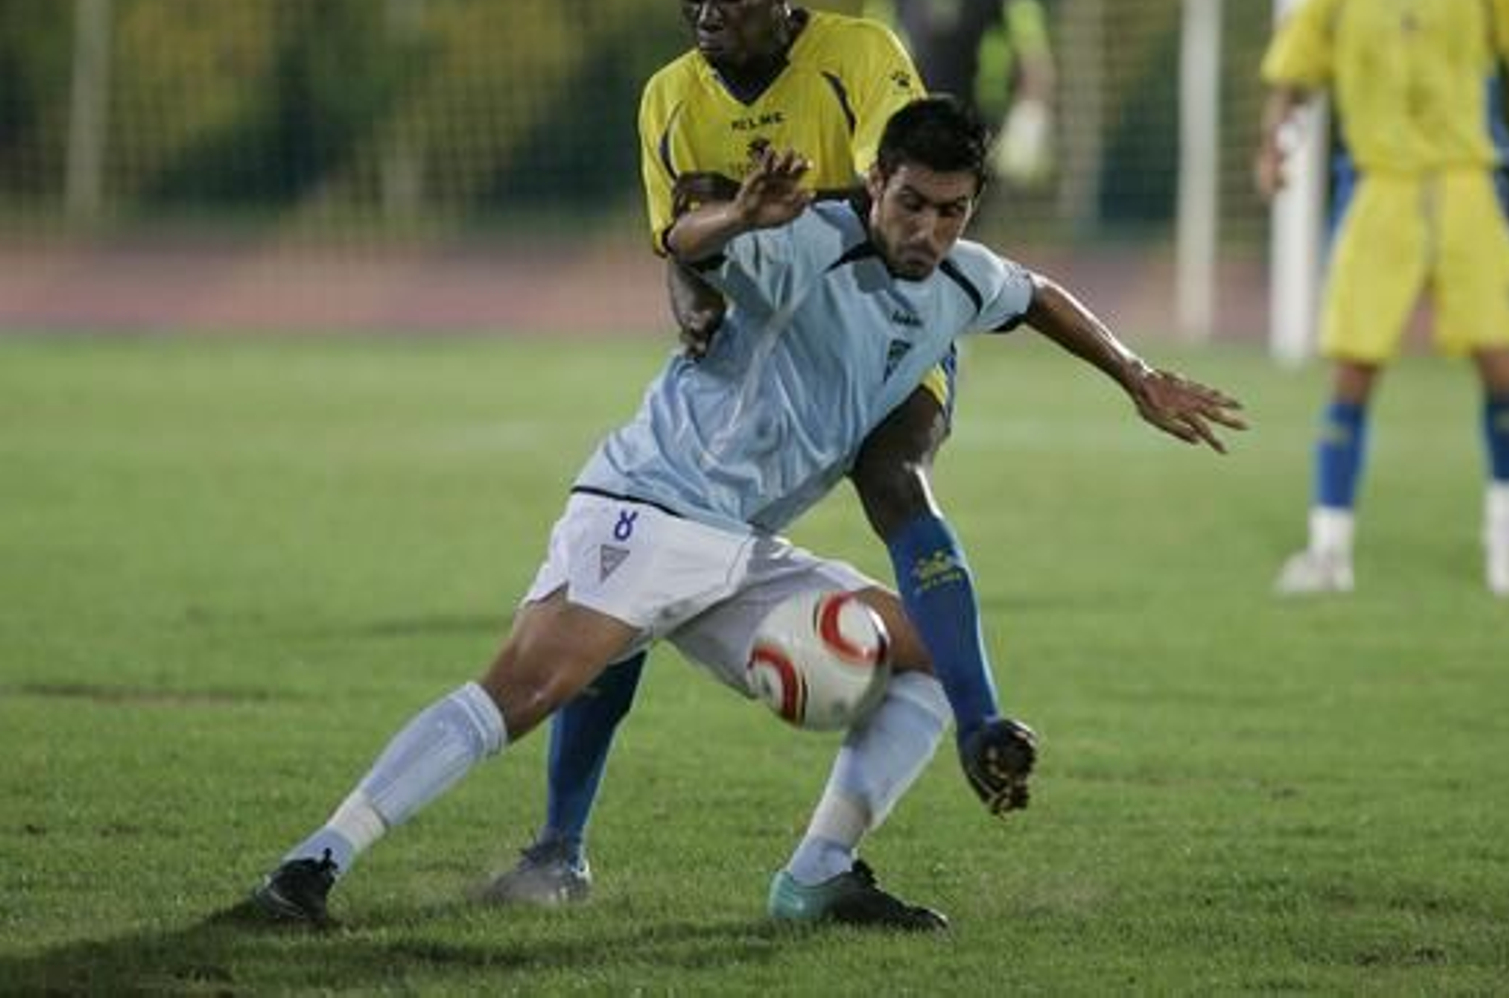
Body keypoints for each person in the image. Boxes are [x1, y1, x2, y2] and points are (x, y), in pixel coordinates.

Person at [251, 97, 1246, 932]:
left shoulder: (959, 277)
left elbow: (1035, 293)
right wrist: (735, 217)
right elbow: (684, 242)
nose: (926, 229)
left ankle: (815, 873)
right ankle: (313, 862)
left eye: (949, 210)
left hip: (736, 544)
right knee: (531, 681)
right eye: (909, 203)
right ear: (876, 183)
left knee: (929, 647)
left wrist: (1135, 373)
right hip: (649, 498)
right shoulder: (803, 241)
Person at [485, 0, 1018, 907]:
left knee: (894, 470)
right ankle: (559, 845)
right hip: (768, 337)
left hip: (880, 317)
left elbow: (889, 197)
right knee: (631, 574)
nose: (706, 9)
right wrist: (688, 267)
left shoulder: (859, 52)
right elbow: (674, 236)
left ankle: (980, 718)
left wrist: (732, 224)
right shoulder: (669, 96)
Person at [1255, 0, 1509, 598]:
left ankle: (1507, 527)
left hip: (1468, 184)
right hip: (1380, 189)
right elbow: (1291, 83)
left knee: (1502, 362)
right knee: (1353, 371)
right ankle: (1330, 548)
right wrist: (1274, 146)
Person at [867, 0, 1056, 187]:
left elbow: (1035, 58)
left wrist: (1031, 116)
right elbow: (868, 70)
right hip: (913, 138)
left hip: (979, 137)